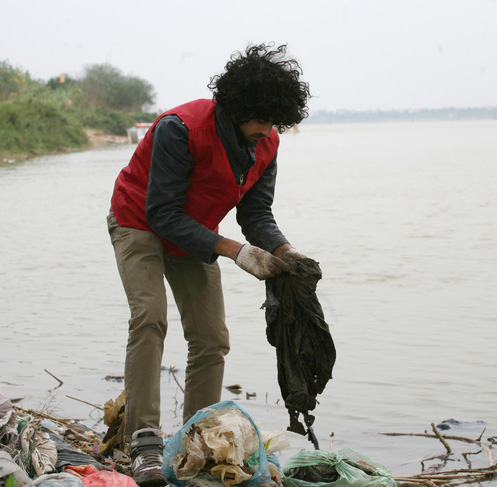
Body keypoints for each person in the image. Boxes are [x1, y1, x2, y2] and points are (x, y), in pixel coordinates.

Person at [107, 43, 311, 486]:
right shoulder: (181, 128)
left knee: (212, 338)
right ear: (240, 108)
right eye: (263, 119)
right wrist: (235, 251)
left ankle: (195, 437)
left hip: (194, 234)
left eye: (276, 121)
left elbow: (255, 215)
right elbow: (161, 213)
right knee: (149, 319)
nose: (269, 129)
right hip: (139, 220)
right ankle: (142, 441)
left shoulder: (266, 142)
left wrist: (284, 251)